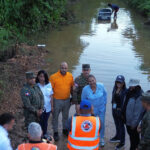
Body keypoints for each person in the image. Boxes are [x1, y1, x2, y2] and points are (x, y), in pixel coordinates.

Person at [49, 62, 74, 141]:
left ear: (67, 68)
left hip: (67, 100)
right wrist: (52, 105)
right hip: (57, 100)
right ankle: (55, 132)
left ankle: (64, 130)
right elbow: (50, 92)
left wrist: (73, 98)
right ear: (60, 68)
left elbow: (72, 88)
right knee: (55, 117)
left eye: (65, 68)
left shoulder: (70, 76)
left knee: (65, 116)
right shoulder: (53, 77)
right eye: (62, 68)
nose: (64, 69)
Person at [81, 74, 107, 147]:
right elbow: (83, 100)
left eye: (93, 80)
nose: (92, 82)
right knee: (92, 124)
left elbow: (105, 95)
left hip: (101, 108)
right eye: (90, 81)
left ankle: (101, 138)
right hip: (91, 110)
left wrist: (104, 104)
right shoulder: (85, 89)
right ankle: (92, 137)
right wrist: (87, 111)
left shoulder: (101, 86)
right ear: (88, 82)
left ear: (95, 80)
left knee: (102, 123)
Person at [122, 79, 145, 150]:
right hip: (127, 121)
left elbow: (138, 113)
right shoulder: (129, 91)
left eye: (132, 85)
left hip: (133, 124)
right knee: (131, 138)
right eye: (130, 85)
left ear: (136, 85)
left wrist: (134, 124)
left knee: (135, 139)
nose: (130, 87)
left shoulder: (140, 96)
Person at [110, 75, 127, 150]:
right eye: (117, 82)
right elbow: (113, 98)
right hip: (114, 109)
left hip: (120, 111)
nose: (118, 83)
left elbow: (125, 103)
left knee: (121, 127)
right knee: (117, 125)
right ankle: (117, 136)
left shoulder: (125, 91)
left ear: (123, 83)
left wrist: (123, 113)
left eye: (120, 82)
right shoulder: (115, 88)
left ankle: (122, 142)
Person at [36, 70, 53, 135]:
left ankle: (45, 134)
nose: (42, 78)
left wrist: (52, 106)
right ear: (38, 77)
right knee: (40, 122)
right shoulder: (36, 86)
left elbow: (51, 96)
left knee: (45, 122)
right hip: (40, 108)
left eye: (44, 77)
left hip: (48, 107)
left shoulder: (49, 84)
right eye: (41, 76)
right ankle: (39, 135)